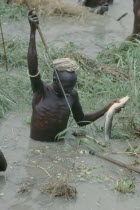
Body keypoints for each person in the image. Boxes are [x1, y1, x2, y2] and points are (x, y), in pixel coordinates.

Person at [28, 10, 119, 142]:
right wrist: (32, 32)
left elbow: (81, 121)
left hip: (59, 145)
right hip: (37, 145)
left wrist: (107, 108)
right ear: (55, 80)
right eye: (65, 88)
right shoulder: (41, 91)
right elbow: (32, 67)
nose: (68, 92)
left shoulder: (72, 95)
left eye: (71, 87)